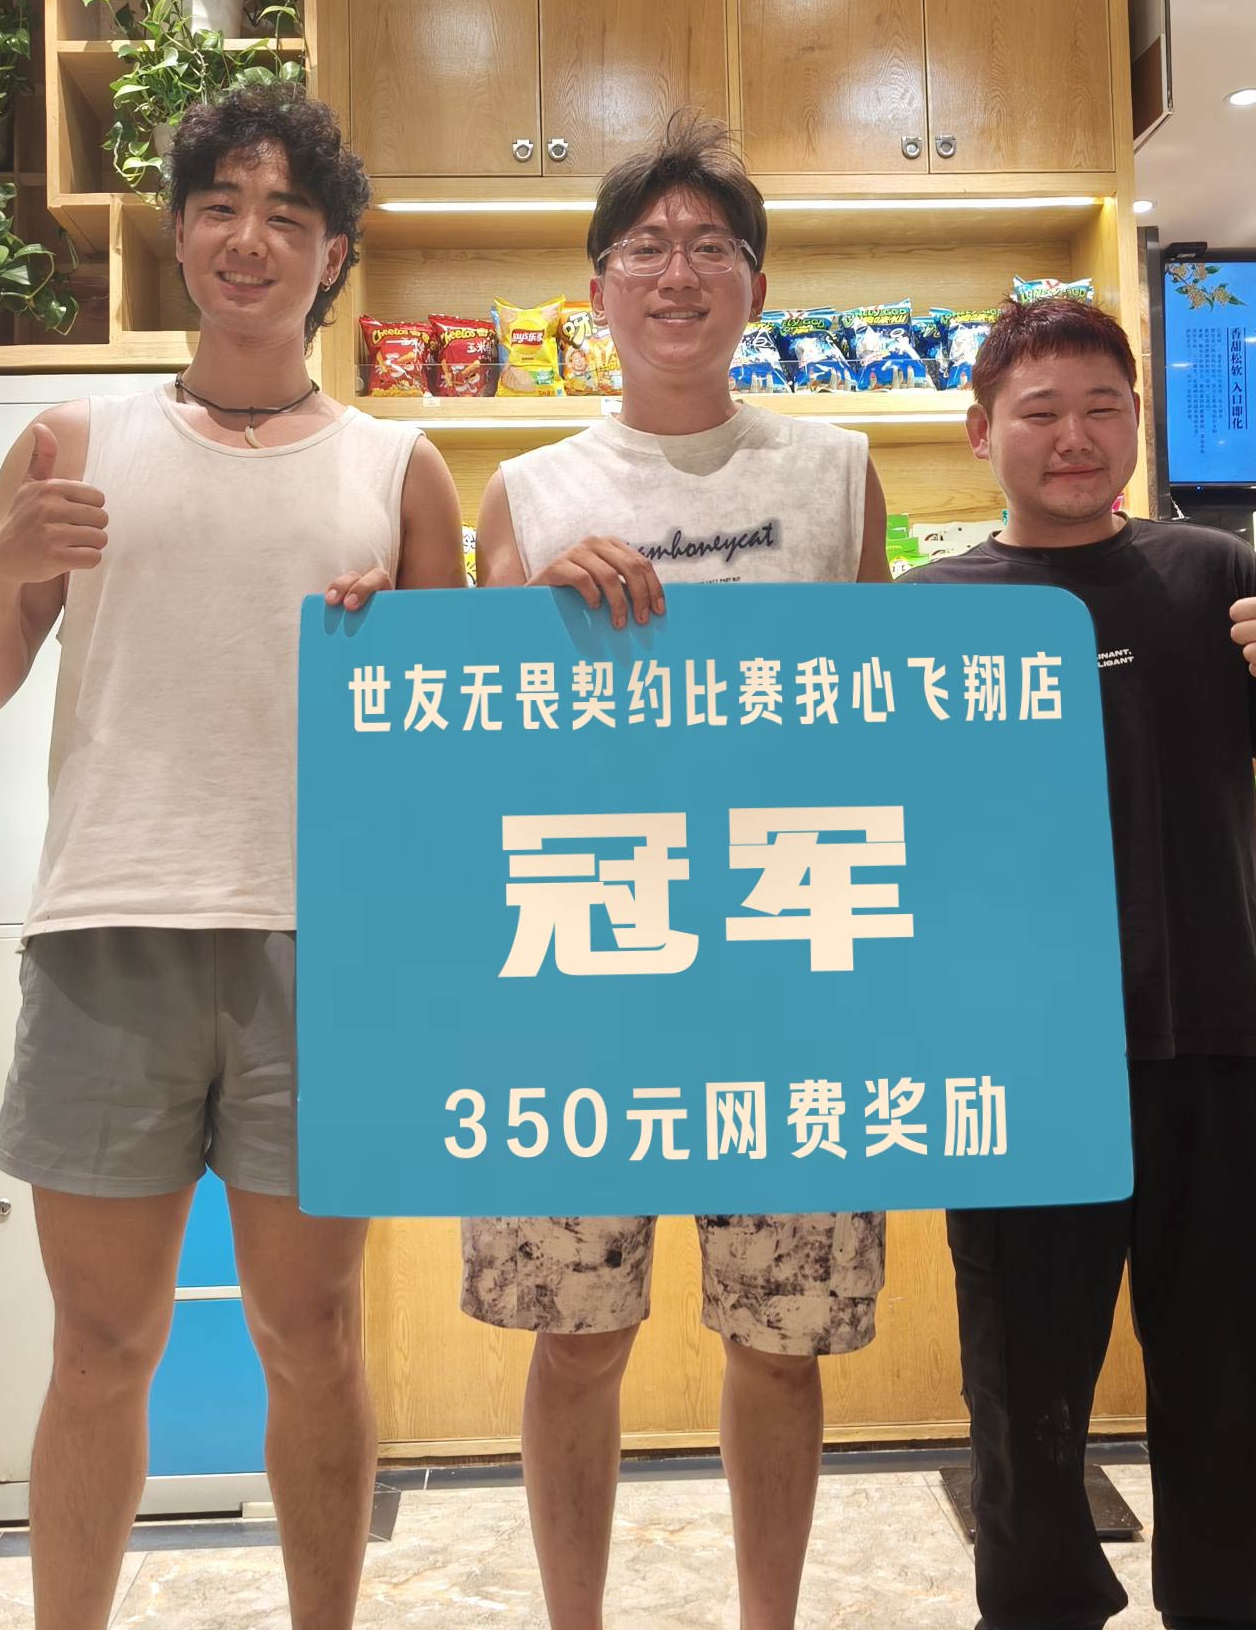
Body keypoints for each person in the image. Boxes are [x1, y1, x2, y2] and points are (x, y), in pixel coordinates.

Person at [0, 85, 464, 1630]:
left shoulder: (402, 468)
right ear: (179, 237)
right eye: (222, 206)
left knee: (316, 1339)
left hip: (324, 944)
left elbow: (450, 756)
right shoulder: (72, 441)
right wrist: (2, 563)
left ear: (333, 256)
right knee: (100, 1348)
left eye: (288, 215)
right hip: (109, 931)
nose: (251, 239)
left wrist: (396, 651)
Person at [461, 113, 893, 1630]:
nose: (678, 272)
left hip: (789, 953)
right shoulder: (525, 491)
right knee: (576, 1337)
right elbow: (478, 754)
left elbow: (882, 721)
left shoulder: (837, 475)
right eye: (646, 247)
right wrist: (524, 610)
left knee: (779, 1341)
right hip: (587, 960)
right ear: (596, 289)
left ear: (757, 289)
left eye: (713, 246)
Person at [903, 295, 1256, 1630]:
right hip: (1016, 1061)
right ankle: (1038, 1606)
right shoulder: (927, 610)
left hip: (1209, 1034)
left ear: (1139, 425)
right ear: (980, 432)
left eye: (1103, 407)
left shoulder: (1213, 574)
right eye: (1040, 411)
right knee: (1021, 1384)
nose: (1075, 436)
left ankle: (1236, 1606)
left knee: (1228, 1371)